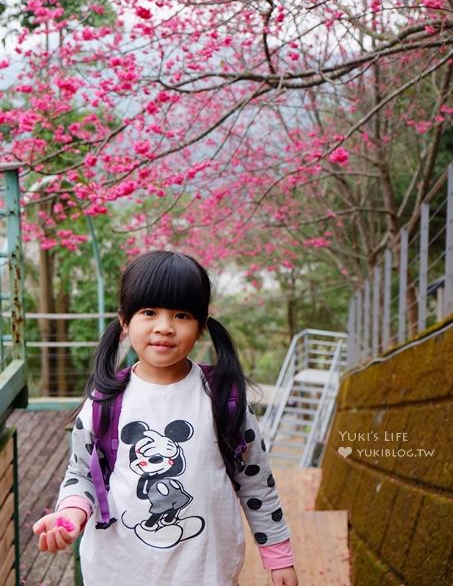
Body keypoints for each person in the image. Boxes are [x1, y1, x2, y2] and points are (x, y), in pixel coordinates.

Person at [33, 251, 298, 586]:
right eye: (148, 312)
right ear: (125, 321)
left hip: (205, 572)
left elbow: (255, 480)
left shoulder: (222, 398)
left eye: (181, 315)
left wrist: (278, 555)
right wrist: (71, 513)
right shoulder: (105, 401)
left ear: (201, 326)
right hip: (117, 572)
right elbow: (82, 473)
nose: (164, 327)